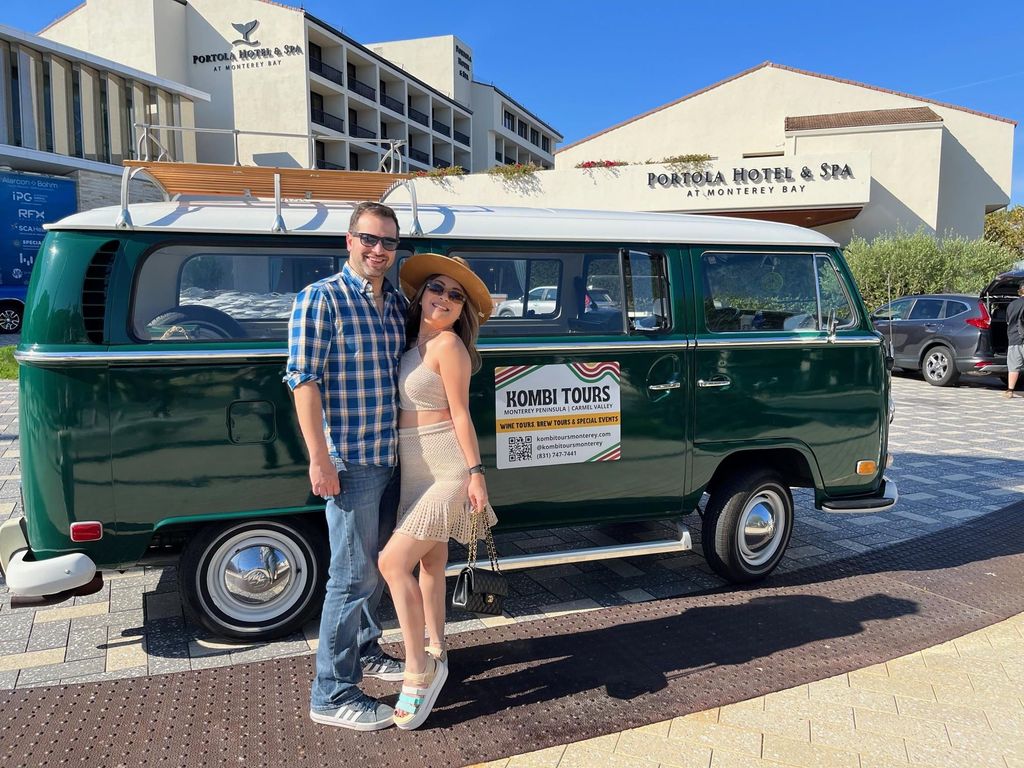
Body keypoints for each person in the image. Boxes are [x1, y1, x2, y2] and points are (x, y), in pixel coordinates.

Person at [285, 201, 408, 731]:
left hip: (390, 456)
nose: (379, 250)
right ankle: (331, 694)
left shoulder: (397, 303)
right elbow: (303, 381)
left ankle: (365, 647)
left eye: (388, 242)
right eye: (369, 239)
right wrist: (320, 458)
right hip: (350, 460)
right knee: (350, 577)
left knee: (376, 568)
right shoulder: (321, 299)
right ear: (349, 241)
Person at [378, 253, 497, 730]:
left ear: (461, 308)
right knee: (430, 563)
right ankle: (437, 648)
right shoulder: (412, 344)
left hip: (447, 464)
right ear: (421, 294)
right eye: (438, 289)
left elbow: (461, 413)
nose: (444, 299)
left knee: (392, 562)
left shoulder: (448, 345)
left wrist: (475, 472)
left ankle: (417, 670)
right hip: (414, 466)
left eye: (456, 295)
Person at [1006, 284, 1024, 398]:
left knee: (1013, 367)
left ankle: (1010, 390)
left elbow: (1008, 321)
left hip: (1014, 338)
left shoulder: (1012, 305)